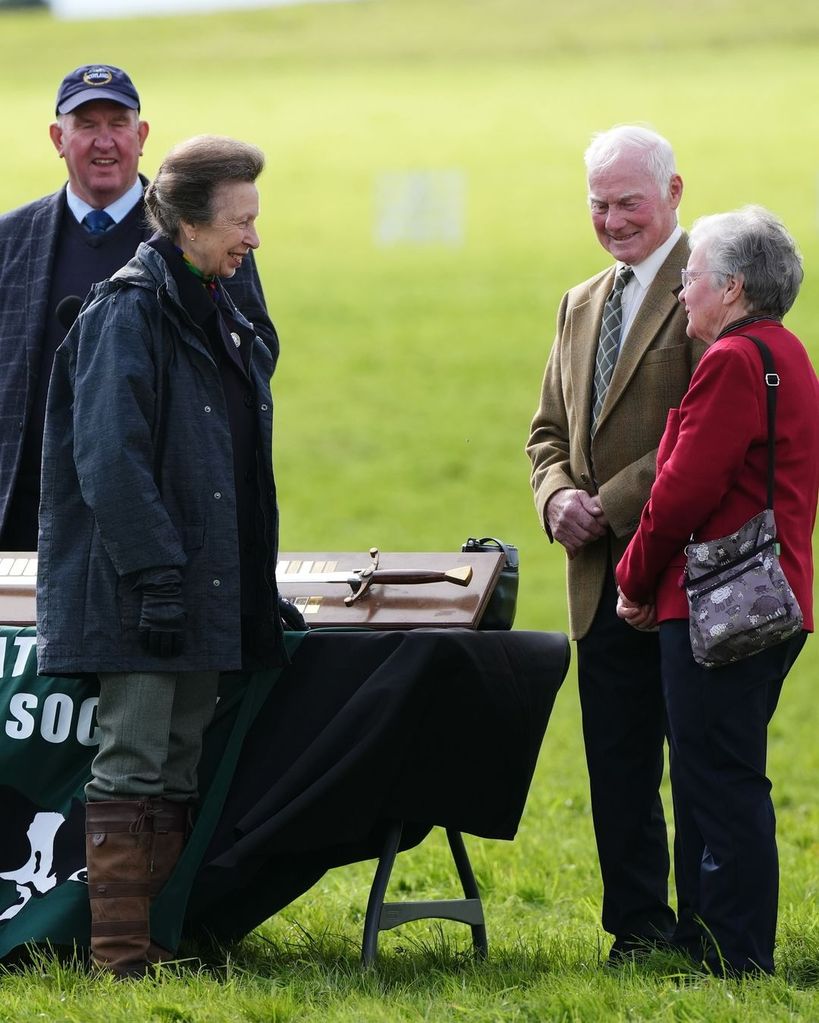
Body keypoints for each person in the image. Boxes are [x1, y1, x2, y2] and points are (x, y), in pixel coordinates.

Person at [36, 135, 288, 978]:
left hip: (199, 586)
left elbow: (231, 464)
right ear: (186, 222)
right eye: (241, 220)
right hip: (136, 590)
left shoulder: (220, 306)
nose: (253, 237)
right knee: (135, 759)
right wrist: (154, 576)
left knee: (178, 761)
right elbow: (109, 459)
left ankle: (151, 943)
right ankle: (116, 960)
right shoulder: (126, 309)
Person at [616, 206, 819, 976]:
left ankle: (736, 955)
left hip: (716, 605)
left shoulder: (733, 361)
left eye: (690, 278)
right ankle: (712, 942)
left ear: (730, 288)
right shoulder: (786, 352)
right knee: (719, 771)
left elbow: (679, 492)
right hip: (774, 596)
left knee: (718, 779)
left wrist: (633, 576)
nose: (680, 294)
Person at [526, 125, 706, 962]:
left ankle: (708, 931)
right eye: (598, 203)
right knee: (619, 766)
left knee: (702, 764)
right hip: (597, 578)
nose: (613, 219)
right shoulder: (578, 300)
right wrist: (557, 496)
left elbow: (706, 428)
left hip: (686, 574)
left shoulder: (711, 285)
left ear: (672, 193)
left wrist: (605, 499)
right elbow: (544, 433)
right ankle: (635, 929)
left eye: (628, 201)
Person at [0, 63, 279, 552]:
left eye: (118, 123)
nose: (104, 141)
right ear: (58, 138)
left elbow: (257, 350)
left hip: (164, 507)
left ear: (142, 134)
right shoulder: (11, 239)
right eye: (86, 125)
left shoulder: (195, 233)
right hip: (29, 510)